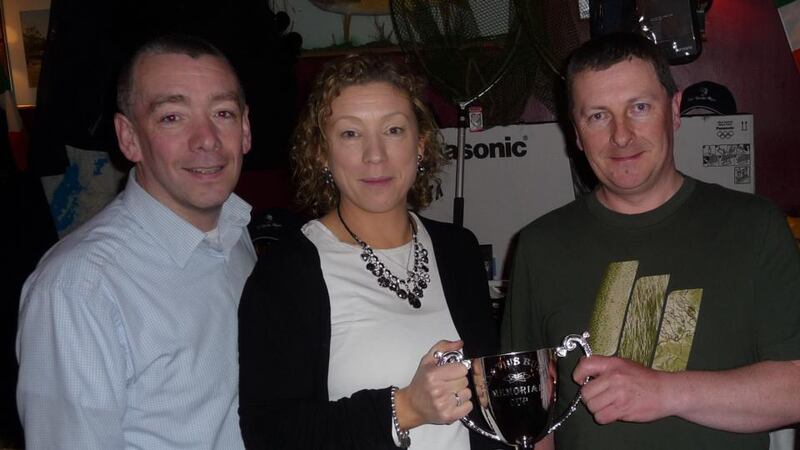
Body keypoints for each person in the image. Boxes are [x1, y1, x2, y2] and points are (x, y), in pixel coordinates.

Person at [502, 32, 800, 450]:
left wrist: (664, 391)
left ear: (675, 111)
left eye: (639, 108)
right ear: (576, 133)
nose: (621, 136)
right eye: (598, 116)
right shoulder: (539, 245)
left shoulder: (755, 226)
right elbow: (532, 414)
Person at [238, 54, 503, 449]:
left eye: (393, 130)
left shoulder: (458, 250)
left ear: (421, 144)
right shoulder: (287, 274)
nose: (374, 155)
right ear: (321, 153)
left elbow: (481, 409)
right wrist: (406, 407)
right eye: (350, 134)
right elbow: (271, 434)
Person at [16, 34, 255, 449]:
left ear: (246, 129)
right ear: (128, 138)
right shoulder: (78, 290)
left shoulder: (236, 230)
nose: (207, 139)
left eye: (223, 112)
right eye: (172, 117)